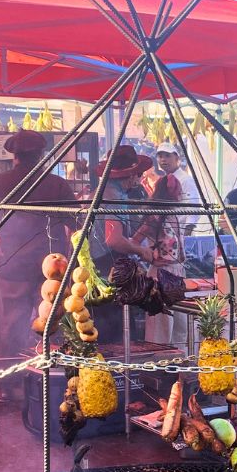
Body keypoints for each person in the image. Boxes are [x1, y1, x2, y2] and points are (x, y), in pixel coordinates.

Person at [0, 131, 76, 380]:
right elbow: (78, 224)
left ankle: (9, 385)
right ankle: (53, 381)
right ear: (41, 156)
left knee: (10, 329)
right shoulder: (56, 184)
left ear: (13, 156)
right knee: (52, 324)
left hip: (11, 266)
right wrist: (69, 257)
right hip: (51, 271)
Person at [90, 145, 154, 343]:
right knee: (114, 333)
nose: (139, 178)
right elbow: (114, 239)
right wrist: (141, 250)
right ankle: (120, 371)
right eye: (138, 174)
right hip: (105, 267)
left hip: (93, 267)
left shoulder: (102, 192)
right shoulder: (114, 197)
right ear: (131, 176)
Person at [133, 175, 188, 349]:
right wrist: (148, 255)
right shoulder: (154, 217)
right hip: (160, 276)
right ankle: (158, 371)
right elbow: (134, 241)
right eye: (178, 191)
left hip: (178, 273)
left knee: (182, 326)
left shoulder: (178, 215)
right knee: (161, 329)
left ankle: (181, 369)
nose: (181, 195)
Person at [150, 142, 200, 231]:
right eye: (160, 156)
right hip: (166, 232)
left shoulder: (185, 180)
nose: (163, 159)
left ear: (176, 158)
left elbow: (193, 206)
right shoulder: (162, 181)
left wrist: (188, 229)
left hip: (180, 231)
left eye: (167, 156)